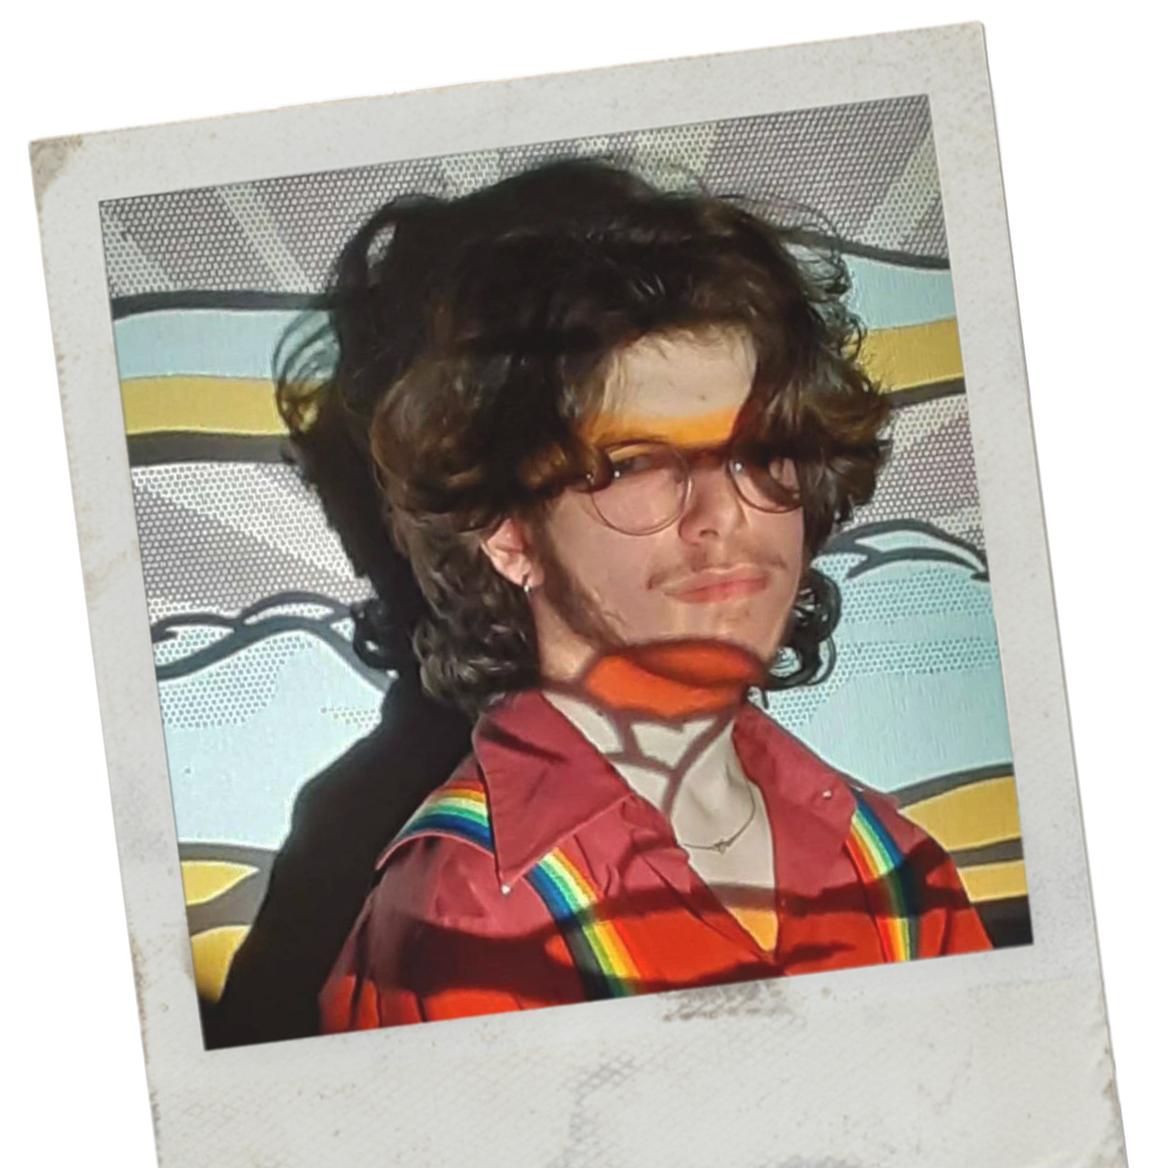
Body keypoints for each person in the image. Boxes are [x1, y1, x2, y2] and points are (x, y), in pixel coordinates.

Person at [308, 159, 991, 1033]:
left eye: (759, 452)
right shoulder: (464, 915)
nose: (724, 514)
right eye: (634, 464)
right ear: (509, 534)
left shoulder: (894, 865)